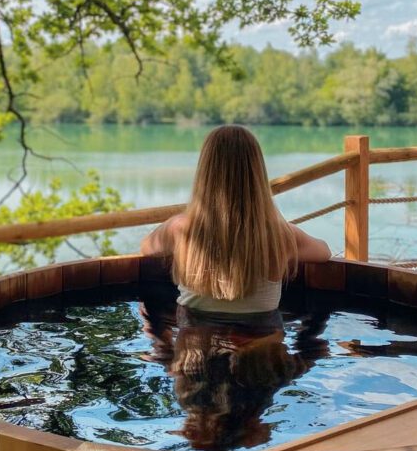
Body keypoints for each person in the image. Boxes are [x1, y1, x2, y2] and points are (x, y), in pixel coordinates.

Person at [140, 125, 331, 317]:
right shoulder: (280, 235)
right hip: (263, 342)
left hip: (196, 342)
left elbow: (147, 247)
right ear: (257, 175)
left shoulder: (180, 229)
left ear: (205, 173)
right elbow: (324, 252)